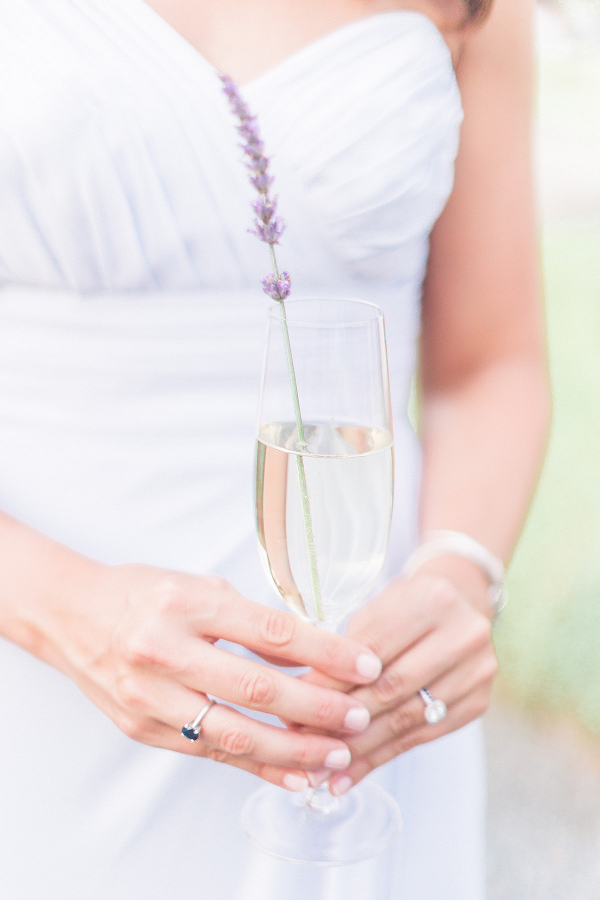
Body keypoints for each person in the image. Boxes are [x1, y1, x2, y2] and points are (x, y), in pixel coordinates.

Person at [0, 0, 549, 898]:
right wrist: (62, 612)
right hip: (35, 701)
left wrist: (460, 572)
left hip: (368, 722)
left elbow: (491, 365)